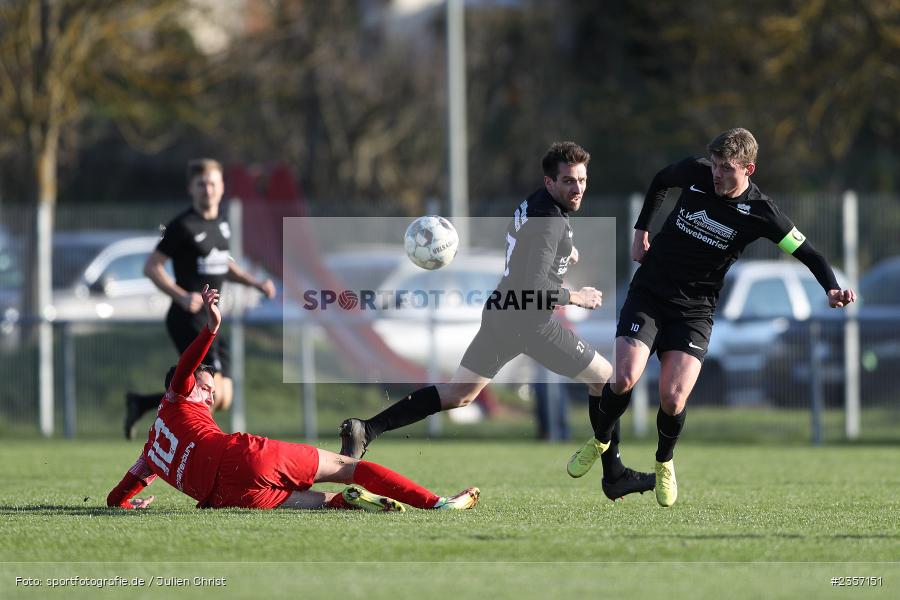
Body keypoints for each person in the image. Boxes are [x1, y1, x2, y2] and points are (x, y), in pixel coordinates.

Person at [339, 141, 655, 501]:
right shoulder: (550, 222)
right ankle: (614, 474)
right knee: (608, 379)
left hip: (502, 312)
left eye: (582, 180)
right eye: (569, 181)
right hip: (531, 322)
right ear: (550, 182)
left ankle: (367, 429)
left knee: (459, 394)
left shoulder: (538, 205)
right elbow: (533, 286)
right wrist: (575, 296)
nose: (578, 188)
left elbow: (529, 256)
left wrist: (563, 255)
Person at [566, 128, 857, 507]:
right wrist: (642, 230)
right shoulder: (696, 173)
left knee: (673, 398)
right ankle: (601, 440)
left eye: (726, 168)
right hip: (651, 292)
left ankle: (664, 461)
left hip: (695, 309)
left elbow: (807, 252)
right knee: (623, 377)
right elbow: (660, 182)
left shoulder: (762, 213)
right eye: (715, 165)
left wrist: (830, 287)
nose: (716, 174)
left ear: (748, 168)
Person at [108, 285, 479, 513]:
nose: (209, 392)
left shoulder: (150, 452)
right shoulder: (177, 395)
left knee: (316, 502)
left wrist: (127, 503)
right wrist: (211, 328)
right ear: (185, 385)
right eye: (205, 386)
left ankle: (347, 501)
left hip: (225, 496)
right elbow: (187, 366)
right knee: (347, 467)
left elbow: (116, 497)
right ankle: (436, 504)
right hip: (241, 456)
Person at [124, 158, 276, 439]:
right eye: (201, 185)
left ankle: (143, 404)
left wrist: (254, 282)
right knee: (209, 392)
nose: (208, 190)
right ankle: (191, 447)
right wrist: (182, 297)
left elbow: (223, 264)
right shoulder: (182, 226)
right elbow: (151, 267)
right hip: (188, 320)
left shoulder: (221, 225)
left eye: (213, 184)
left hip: (212, 319)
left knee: (223, 398)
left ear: (221, 188)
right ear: (191, 189)